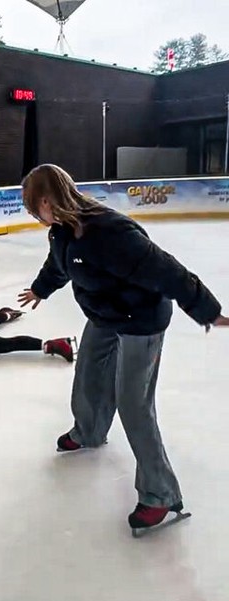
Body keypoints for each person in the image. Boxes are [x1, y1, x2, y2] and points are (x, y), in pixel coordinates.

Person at [17, 163, 229, 535]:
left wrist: (208, 311)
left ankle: (159, 493)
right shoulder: (62, 231)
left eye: (35, 209)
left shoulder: (109, 233)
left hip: (140, 321)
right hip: (104, 314)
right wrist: (40, 288)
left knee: (133, 403)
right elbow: (58, 265)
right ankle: (89, 430)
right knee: (88, 376)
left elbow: (169, 272)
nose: (35, 217)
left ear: (49, 200)